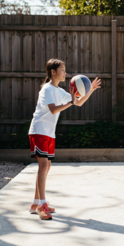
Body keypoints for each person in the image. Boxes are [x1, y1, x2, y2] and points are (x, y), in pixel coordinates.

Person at [28, 58, 101, 220]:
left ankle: (35, 203)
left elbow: (78, 103)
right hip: (39, 130)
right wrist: (71, 102)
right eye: (62, 69)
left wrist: (91, 90)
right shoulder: (47, 89)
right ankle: (42, 204)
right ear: (53, 72)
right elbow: (53, 110)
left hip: (49, 133)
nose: (65, 72)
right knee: (44, 165)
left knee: (46, 167)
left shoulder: (59, 91)